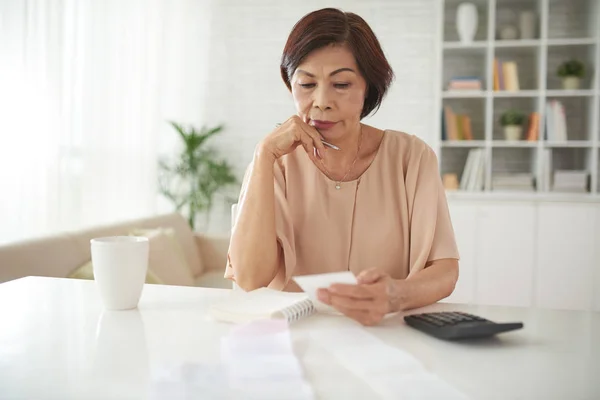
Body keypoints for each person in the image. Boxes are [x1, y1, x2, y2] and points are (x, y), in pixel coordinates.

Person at [224, 8, 460, 326]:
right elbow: (250, 280)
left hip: (386, 338)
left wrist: (397, 294)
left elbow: (445, 270)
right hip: (290, 341)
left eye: (341, 85)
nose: (321, 101)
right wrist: (264, 155)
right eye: (307, 85)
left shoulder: (412, 158)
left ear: (368, 88)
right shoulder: (274, 162)